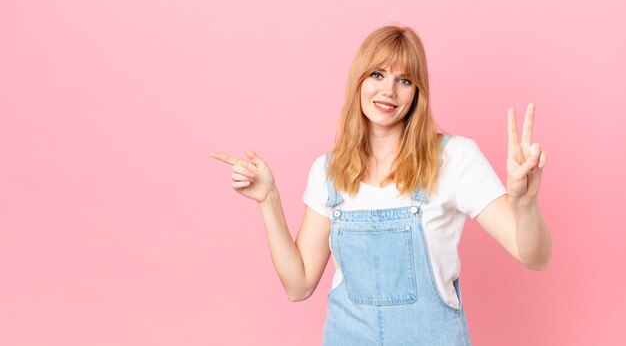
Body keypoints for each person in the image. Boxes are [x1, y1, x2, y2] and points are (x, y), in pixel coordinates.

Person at [210, 24, 551, 346]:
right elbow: (298, 286)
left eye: (404, 80)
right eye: (377, 74)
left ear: (418, 92)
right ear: (359, 81)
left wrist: (525, 202)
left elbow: (535, 256)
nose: (388, 90)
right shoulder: (329, 172)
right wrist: (268, 199)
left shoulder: (455, 159)